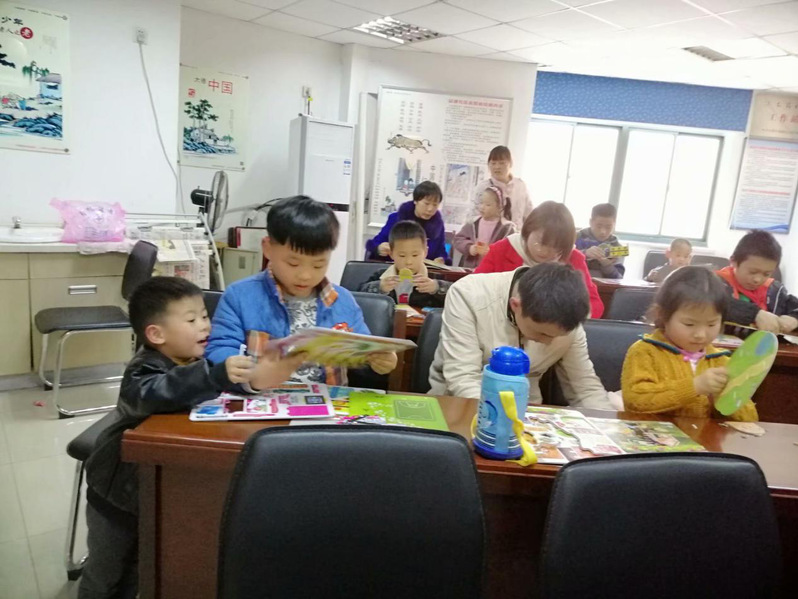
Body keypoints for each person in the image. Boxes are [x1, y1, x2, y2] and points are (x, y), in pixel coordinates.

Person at [80, 277, 291, 598]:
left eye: (205, 316)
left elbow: (210, 384)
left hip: (152, 489)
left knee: (140, 568)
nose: (205, 325)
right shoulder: (143, 369)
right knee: (105, 574)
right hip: (116, 493)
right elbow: (159, 392)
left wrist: (251, 379)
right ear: (156, 334)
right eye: (191, 320)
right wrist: (214, 375)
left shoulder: (193, 360)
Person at [205, 196, 397, 386]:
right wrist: (233, 366)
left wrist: (379, 362)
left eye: (318, 265)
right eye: (293, 263)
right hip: (262, 397)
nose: (305, 275)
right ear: (268, 248)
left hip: (328, 401)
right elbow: (220, 347)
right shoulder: (240, 296)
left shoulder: (343, 301)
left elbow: (364, 354)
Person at [429, 262, 611, 408]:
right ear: (516, 305)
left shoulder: (569, 318)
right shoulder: (468, 294)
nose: (549, 342)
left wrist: (610, 431)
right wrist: (499, 420)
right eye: (542, 333)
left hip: (528, 413)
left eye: (557, 336)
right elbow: (463, 379)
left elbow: (585, 389)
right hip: (460, 405)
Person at [621, 266, 758, 421]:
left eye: (711, 324)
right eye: (689, 324)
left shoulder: (721, 361)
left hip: (702, 436)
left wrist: (725, 397)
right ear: (662, 315)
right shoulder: (645, 352)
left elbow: (750, 419)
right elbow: (635, 401)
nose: (701, 335)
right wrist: (694, 387)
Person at [474, 201, 604, 318]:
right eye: (540, 242)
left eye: (555, 247)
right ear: (528, 230)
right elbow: (474, 289)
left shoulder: (573, 258)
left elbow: (594, 304)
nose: (544, 251)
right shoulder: (502, 250)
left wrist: (565, 317)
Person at [716, 230, 798, 335]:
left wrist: (794, 318)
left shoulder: (774, 291)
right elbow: (712, 303)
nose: (757, 280)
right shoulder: (713, 283)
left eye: (766, 274)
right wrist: (755, 314)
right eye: (753, 272)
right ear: (734, 261)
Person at [359, 220, 451, 308]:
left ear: (425, 252)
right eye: (402, 256)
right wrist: (380, 287)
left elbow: (455, 296)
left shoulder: (433, 277)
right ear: (391, 254)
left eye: (415, 255)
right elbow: (359, 295)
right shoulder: (381, 276)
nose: (408, 262)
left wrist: (437, 288)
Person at [365, 181, 449, 264]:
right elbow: (376, 243)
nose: (430, 209)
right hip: (396, 268)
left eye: (435, 205)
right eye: (426, 203)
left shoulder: (438, 225)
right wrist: (379, 248)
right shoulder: (396, 219)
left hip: (424, 270)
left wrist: (442, 259)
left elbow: (441, 251)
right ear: (415, 201)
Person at [453, 185, 516, 269]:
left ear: (499, 207)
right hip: (470, 270)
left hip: (493, 272)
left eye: (488, 205)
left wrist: (493, 252)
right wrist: (470, 247)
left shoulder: (507, 228)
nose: (482, 207)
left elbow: (512, 250)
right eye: (481, 203)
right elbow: (458, 239)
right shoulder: (473, 223)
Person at [472, 145, 532, 229]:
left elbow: (529, 215)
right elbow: (474, 216)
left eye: (502, 163)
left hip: (517, 234)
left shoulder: (520, 185)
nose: (497, 167)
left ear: (510, 164)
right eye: (493, 163)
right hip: (491, 234)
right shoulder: (483, 187)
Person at [575, 203, 626, 279]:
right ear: (591, 222)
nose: (603, 232)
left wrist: (606, 265)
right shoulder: (576, 237)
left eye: (608, 227)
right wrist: (584, 253)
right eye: (599, 226)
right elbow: (562, 261)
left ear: (614, 224)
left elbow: (619, 278)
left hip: (602, 285)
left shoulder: (618, 248)